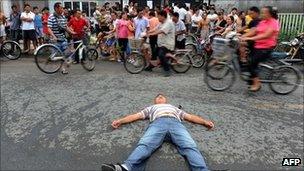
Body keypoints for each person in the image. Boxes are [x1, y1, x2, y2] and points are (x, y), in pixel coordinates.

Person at [101, 93, 214, 171]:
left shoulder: (173, 107)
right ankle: (126, 167)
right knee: (145, 145)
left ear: (166, 101)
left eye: (162, 96)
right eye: (158, 97)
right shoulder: (151, 108)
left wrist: (204, 122)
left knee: (190, 146)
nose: (160, 97)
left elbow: (190, 116)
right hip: (158, 123)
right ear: (155, 102)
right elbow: (136, 116)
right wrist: (121, 121)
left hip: (176, 124)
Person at [241, 6, 279, 91]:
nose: (261, 14)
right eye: (261, 12)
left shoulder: (274, 22)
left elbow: (266, 35)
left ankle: (257, 83)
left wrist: (250, 38)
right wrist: (243, 36)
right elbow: (254, 31)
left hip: (267, 48)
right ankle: (252, 79)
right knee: (249, 61)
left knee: (251, 63)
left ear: (269, 14)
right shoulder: (263, 22)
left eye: (263, 13)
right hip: (258, 47)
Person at [47, 2, 75, 74]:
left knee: (67, 54)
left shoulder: (63, 16)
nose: (62, 9)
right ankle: (57, 65)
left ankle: (63, 68)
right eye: (61, 8)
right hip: (55, 41)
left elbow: (65, 27)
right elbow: (49, 28)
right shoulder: (51, 17)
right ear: (56, 8)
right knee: (54, 57)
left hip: (63, 39)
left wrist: (71, 32)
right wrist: (53, 36)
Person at [146, 10, 175, 77]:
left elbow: (161, 31)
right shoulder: (161, 22)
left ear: (163, 16)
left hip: (167, 44)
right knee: (154, 54)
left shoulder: (169, 23)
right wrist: (148, 32)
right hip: (161, 44)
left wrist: (151, 34)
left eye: (158, 16)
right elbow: (156, 29)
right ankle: (150, 67)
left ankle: (167, 70)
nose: (157, 18)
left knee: (161, 55)